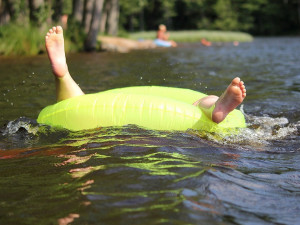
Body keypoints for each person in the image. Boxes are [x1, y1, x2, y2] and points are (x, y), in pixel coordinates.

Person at [45, 26, 246, 124]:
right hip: (194, 123)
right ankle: (216, 106)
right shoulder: (160, 36)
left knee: (78, 103)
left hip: (80, 121)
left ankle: (63, 75)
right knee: (200, 101)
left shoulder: (161, 35)